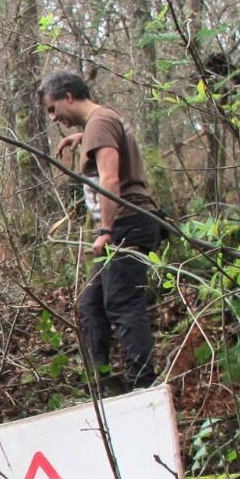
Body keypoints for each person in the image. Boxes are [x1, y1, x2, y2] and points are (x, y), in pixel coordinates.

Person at [40, 69, 161, 392]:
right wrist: (83, 139)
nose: (53, 118)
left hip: (126, 223)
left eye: (53, 109)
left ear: (68, 96)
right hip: (126, 222)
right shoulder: (102, 122)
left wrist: (105, 230)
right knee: (91, 304)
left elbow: (110, 179)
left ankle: (143, 385)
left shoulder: (100, 123)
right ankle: (103, 381)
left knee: (123, 303)